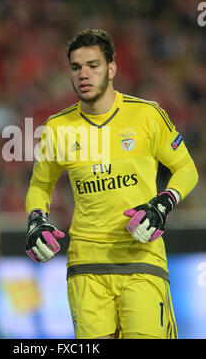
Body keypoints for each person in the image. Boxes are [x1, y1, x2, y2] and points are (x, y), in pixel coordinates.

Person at [25, 28, 198, 339]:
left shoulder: (147, 115)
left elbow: (186, 168)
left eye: (93, 65)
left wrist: (164, 201)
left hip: (142, 258)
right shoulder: (57, 128)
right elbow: (40, 186)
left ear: (112, 68)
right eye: (76, 67)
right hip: (86, 264)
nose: (84, 74)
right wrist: (36, 220)